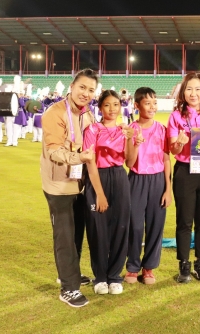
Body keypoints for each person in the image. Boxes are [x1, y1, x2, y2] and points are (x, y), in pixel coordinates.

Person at [40, 68, 98, 308]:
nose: (86, 93)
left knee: (76, 233)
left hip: (79, 183)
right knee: (64, 236)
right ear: (72, 87)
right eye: (82, 87)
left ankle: (69, 273)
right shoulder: (54, 113)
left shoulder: (87, 114)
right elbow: (54, 149)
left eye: (91, 90)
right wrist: (79, 158)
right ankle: (69, 288)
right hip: (59, 185)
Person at [168, 73, 200, 283]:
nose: (193, 93)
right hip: (185, 170)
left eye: (198, 89)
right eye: (189, 89)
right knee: (184, 220)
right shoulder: (176, 116)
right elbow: (173, 149)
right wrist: (179, 143)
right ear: (183, 92)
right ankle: (184, 264)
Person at [83, 89, 134, 296]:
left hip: (120, 177)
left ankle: (114, 276)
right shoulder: (92, 130)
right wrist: (100, 194)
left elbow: (130, 162)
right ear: (100, 107)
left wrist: (130, 139)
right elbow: (90, 162)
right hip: (98, 178)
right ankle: (100, 277)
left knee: (120, 228)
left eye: (116, 104)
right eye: (107, 105)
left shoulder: (125, 130)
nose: (112, 109)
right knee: (98, 230)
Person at [124, 87, 172, 286]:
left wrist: (168, 188)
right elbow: (129, 163)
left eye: (155, 103)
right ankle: (132, 266)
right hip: (136, 180)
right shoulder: (130, 129)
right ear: (137, 105)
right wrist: (135, 144)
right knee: (134, 225)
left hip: (158, 180)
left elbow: (166, 159)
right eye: (147, 103)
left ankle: (149, 268)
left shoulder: (162, 129)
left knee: (155, 225)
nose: (152, 107)